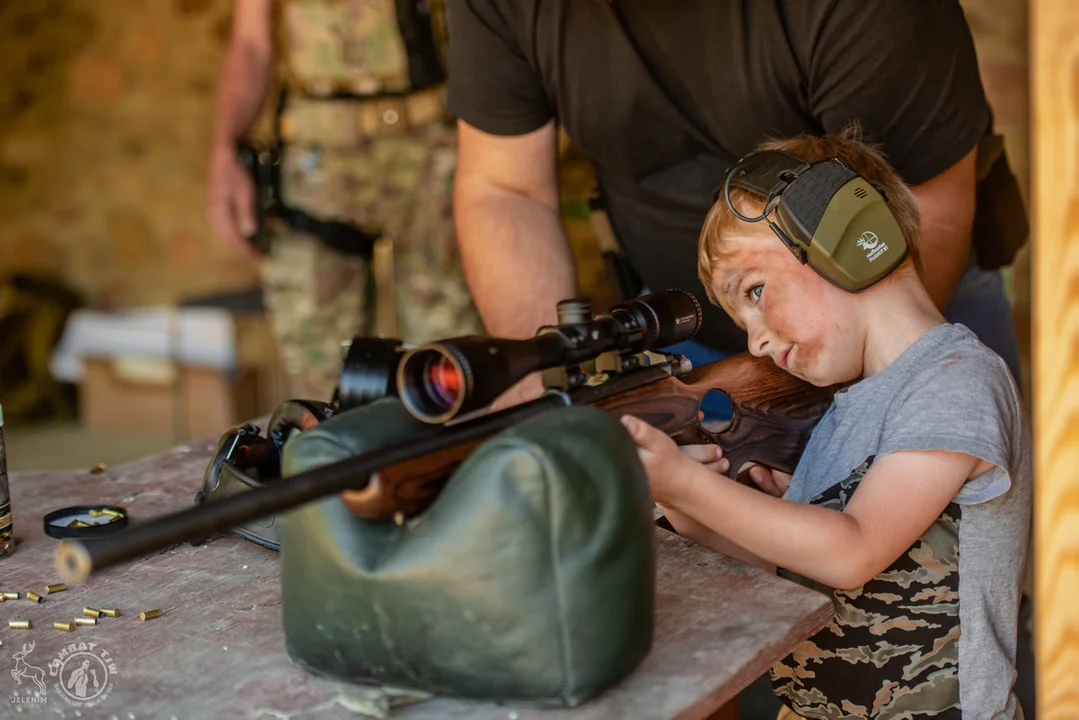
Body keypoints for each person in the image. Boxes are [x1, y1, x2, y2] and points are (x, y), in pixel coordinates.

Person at [619, 130, 1032, 719]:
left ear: (838, 235)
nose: (756, 340)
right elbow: (784, 577)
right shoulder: (843, 412)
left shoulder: (955, 379)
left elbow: (852, 552)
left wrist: (692, 486)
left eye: (756, 291)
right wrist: (684, 504)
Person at [445, 0, 1027, 417]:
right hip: (680, 333)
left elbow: (925, 211)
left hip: (906, 304)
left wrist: (797, 387)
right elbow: (505, 190)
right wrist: (546, 401)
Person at [205, 0, 483, 400]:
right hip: (320, 156)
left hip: (431, 142)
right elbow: (251, 42)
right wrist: (224, 151)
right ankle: (335, 456)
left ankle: (453, 458)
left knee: (450, 352)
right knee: (320, 359)